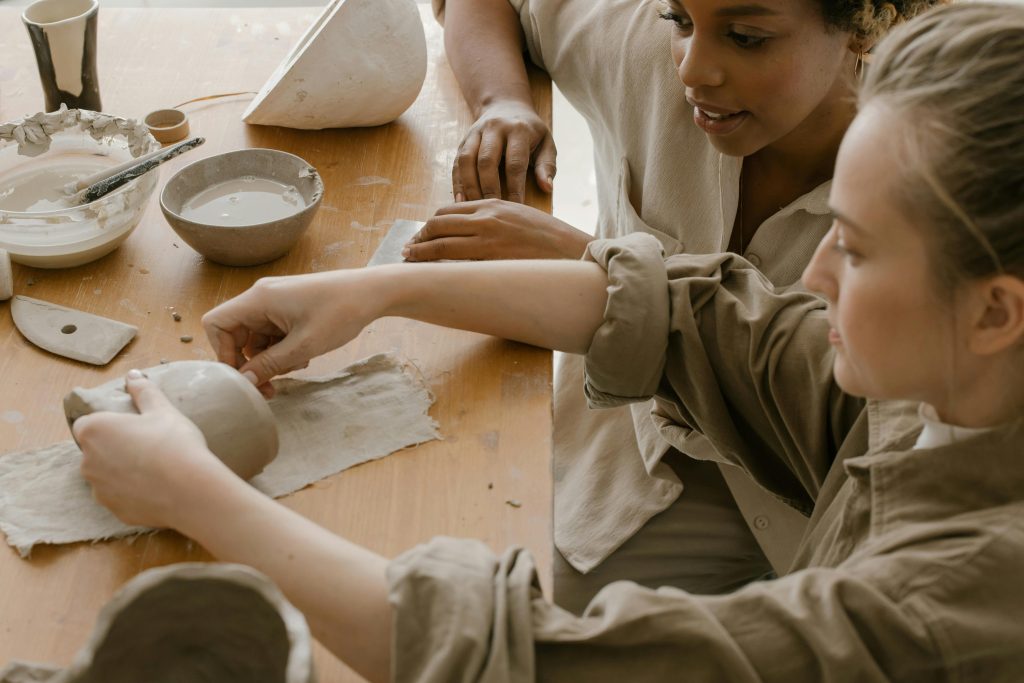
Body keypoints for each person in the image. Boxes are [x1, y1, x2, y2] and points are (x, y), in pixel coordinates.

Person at [75, 3, 1024, 681]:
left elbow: (541, 659)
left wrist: (189, 492)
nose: (813, 280)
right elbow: (698, 315)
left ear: (994, 310)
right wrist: (376, 288)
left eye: (851, 252)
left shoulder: (947, 613)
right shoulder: (941, 395)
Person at [402, 0, 942, 611]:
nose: (693, 69)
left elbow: (893, 428)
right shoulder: (641, 54)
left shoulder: (946, 178)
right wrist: (502, 100)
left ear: (866, 26)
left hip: (836, 517)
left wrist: (592, 263)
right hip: (623, 462)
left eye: (746, 37)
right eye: (679, 19)